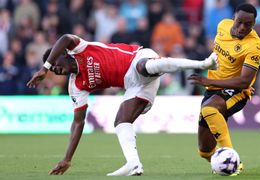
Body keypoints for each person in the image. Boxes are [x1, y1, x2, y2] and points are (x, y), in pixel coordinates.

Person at [26, 34, 217, 176]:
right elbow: (78, 122)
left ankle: (203, 64)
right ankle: (134, 163)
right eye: (54, 71)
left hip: (136, 58)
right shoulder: (76, 86)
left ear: (61, 54)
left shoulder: (79, 48)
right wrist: (67, 158)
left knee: (145, 67)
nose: (56, 71)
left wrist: (45, 68)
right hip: (135, 87)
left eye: (55, 65)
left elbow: (65, 37)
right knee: (120, 121)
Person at [187, 3, 260, 176]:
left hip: (236, 91)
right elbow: (219, 54)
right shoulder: (222, 25)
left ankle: (233, 160)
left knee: (209, 109)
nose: (242, 27)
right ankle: (220, 162)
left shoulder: (255, 46)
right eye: (239, 22)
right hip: (212, 88)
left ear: (253, 24)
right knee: (205, 151)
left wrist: (207, 80)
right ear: (233, 18)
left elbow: (244, 81)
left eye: (248, 25)